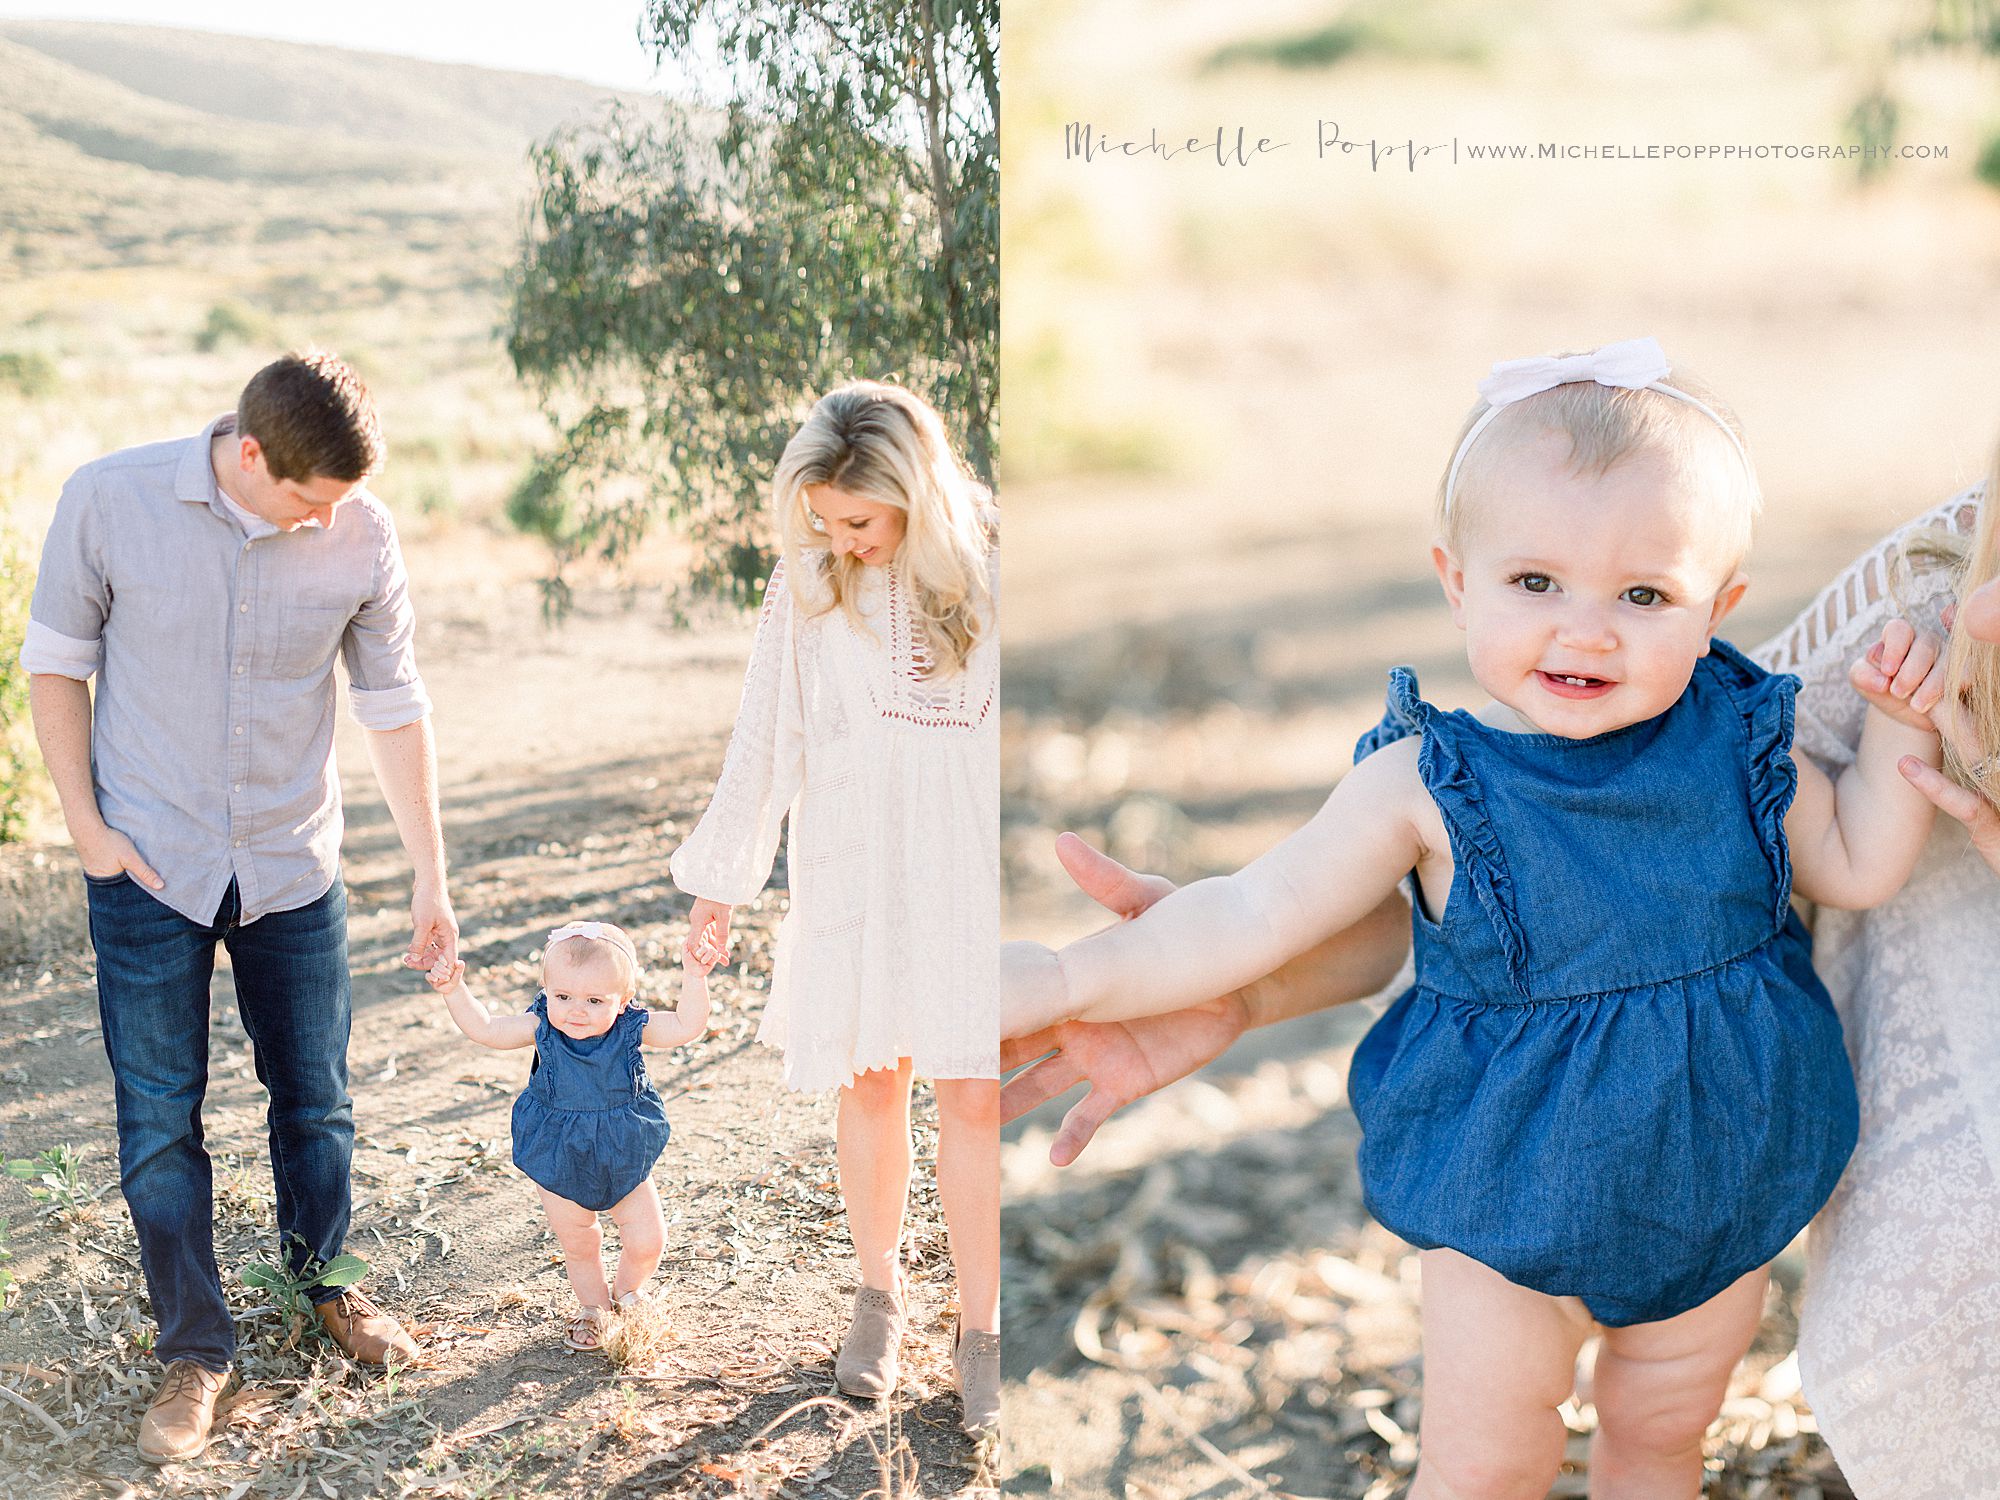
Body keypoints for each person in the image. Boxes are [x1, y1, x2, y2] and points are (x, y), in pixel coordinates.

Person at [1002, 340, 1955, 1498]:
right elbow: (1251, 911)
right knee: (1483, 1463)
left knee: (1658, 1436)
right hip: (1504, 1187)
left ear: (1717, 609)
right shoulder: (1421, 781)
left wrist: (1902, 723)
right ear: (1457, 581)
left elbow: (1854, 862)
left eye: (1643, 595)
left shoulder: (1737, 746)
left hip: (1721, 1172)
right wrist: (1068, 979)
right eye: (1534, 583)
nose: (1586, 630)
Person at [21, 350, 458, 1464]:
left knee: (314, 1099)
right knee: (159, 1117)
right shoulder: (107, 499)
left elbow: (393, 704)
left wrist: (429, 874)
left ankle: (327, 1288)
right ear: (249, 453)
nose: (329, 521)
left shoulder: (362, 531)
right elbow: (55, 668)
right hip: (147, 864)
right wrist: (91, 834)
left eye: (342, 502)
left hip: (290, 865)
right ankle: (195, 1349)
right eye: (311, 501)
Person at [670, 381, 1001, 1433]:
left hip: (966, 862)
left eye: (857, 519)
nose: (841, 538)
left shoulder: (996, 563)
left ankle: (985, 1327)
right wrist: (723, 881)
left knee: (975, 1097)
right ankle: (879, 1299)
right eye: (822, 520)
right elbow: (767, 735)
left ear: (911, 492)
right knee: (869, 1080)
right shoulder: (810, 580)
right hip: (855, 854)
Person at [424, 920, 714, 1353]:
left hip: (621, 1147)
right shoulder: (541, 1026)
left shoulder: (632, 1027)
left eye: (595, 1000)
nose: (576, 1010)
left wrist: (694, 976)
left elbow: (687, 1025)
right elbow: (486, 1028)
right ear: (546, 990)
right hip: (559, 1149)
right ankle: (593, 1308)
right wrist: (453, 990)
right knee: (580, 1240)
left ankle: (629, 1291)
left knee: (648, 1237)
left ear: (624, 1001)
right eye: (563, 996)